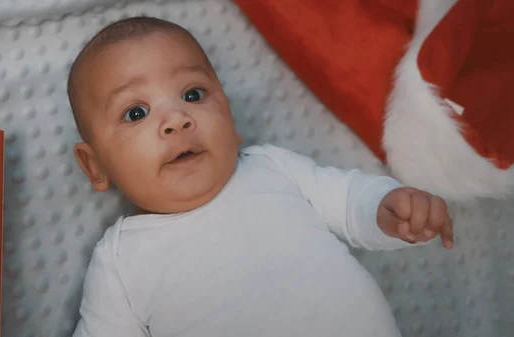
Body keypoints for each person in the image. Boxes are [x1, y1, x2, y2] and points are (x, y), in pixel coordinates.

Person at [66, 16, 453, 337]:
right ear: (95, 165)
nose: (177, 120)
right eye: (136, 112)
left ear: (230, 117)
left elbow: (350, 202)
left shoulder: (273, 169)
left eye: (193, 95)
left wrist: (388, 209)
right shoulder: (120, 261)